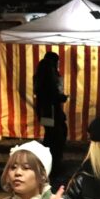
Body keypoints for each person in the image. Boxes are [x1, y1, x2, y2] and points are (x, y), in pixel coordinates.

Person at [33, 52, 68, 182]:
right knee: (55, 137)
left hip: (45, 110)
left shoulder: (40, 73)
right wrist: (61, 97)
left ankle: (49, 163)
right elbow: (51, 93)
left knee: (51, 135)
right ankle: (53, 164)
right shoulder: (49, 73)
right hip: (51, 109)